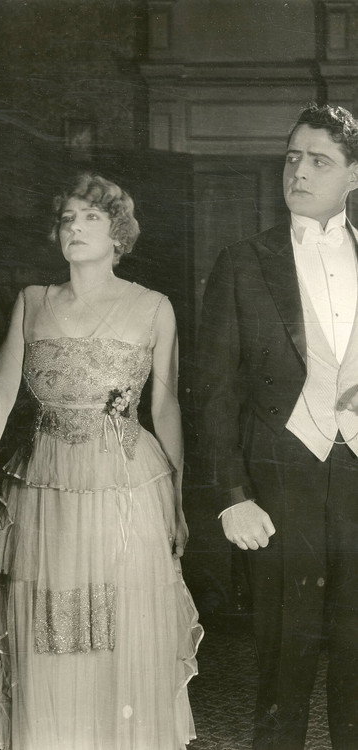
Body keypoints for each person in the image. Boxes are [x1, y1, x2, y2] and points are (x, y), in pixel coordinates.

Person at [0, 172, 203, 750]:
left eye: (92, 218)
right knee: (50, 619)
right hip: (43, 481)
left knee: (119, 616)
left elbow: (166, 408)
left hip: (126, 481)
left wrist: (178, 503)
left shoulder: (153, 307)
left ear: (119, 234)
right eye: (67, 220)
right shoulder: (32, 302)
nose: (75, 228)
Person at [196, 102, 358, 750]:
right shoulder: (244, 261)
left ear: (353, 175)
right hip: (281, 483)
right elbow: (214, 390)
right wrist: (232, 496)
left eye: (318, 160)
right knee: (283, 663)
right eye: (292, 158)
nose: (299, 172)